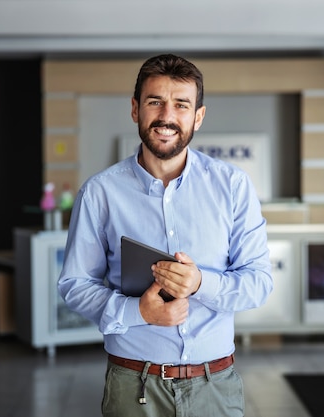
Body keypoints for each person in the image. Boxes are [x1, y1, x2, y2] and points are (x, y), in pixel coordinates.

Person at [57, 53, 273, 417]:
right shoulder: (100, 193)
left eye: (181, 105)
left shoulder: (233, 186)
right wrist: (138, 311)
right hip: (132, 386)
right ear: (135, 109)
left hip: (214, 388)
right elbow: (74, 284)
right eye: (155, 102)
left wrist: (201, 282)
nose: (166, 116)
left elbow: (260, 282)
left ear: (198, 116)